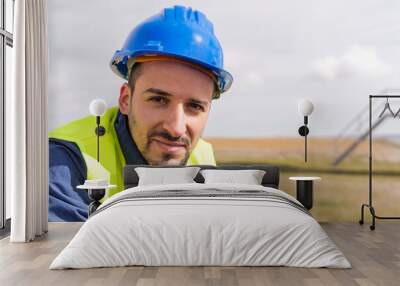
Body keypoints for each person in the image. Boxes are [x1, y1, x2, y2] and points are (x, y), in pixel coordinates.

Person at [48, 5, 233, 221]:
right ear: (126, 99)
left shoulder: (203, 156)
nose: (176, 128)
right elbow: (66, 250)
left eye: (195, 106)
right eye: (159, 99)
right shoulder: (64, 159)